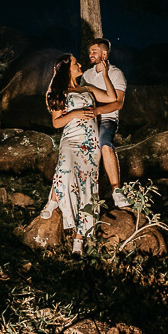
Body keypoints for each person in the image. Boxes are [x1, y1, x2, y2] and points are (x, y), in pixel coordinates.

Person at [39, 52, 118, 255]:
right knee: (64, 168)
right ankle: (54, 200)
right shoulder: (59, 91)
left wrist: (106, 74)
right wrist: (74, 113)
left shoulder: (87, 89)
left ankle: (79, 240)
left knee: (88, 188)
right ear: (67, 68)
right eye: (75, 63)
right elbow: (56, 122)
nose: (80, 64)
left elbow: (111, 97)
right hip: (71, 140)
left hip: (90, 144)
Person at [81, 38, 130, 209]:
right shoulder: (86, 75)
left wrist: (98, 111)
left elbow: (117, 103)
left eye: (94, 51)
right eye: (89, 51)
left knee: (104, 142)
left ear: (104, 53)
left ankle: (116, 190)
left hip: (107, 118)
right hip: (88, 118)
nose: (90, 54)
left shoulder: (116, 74)